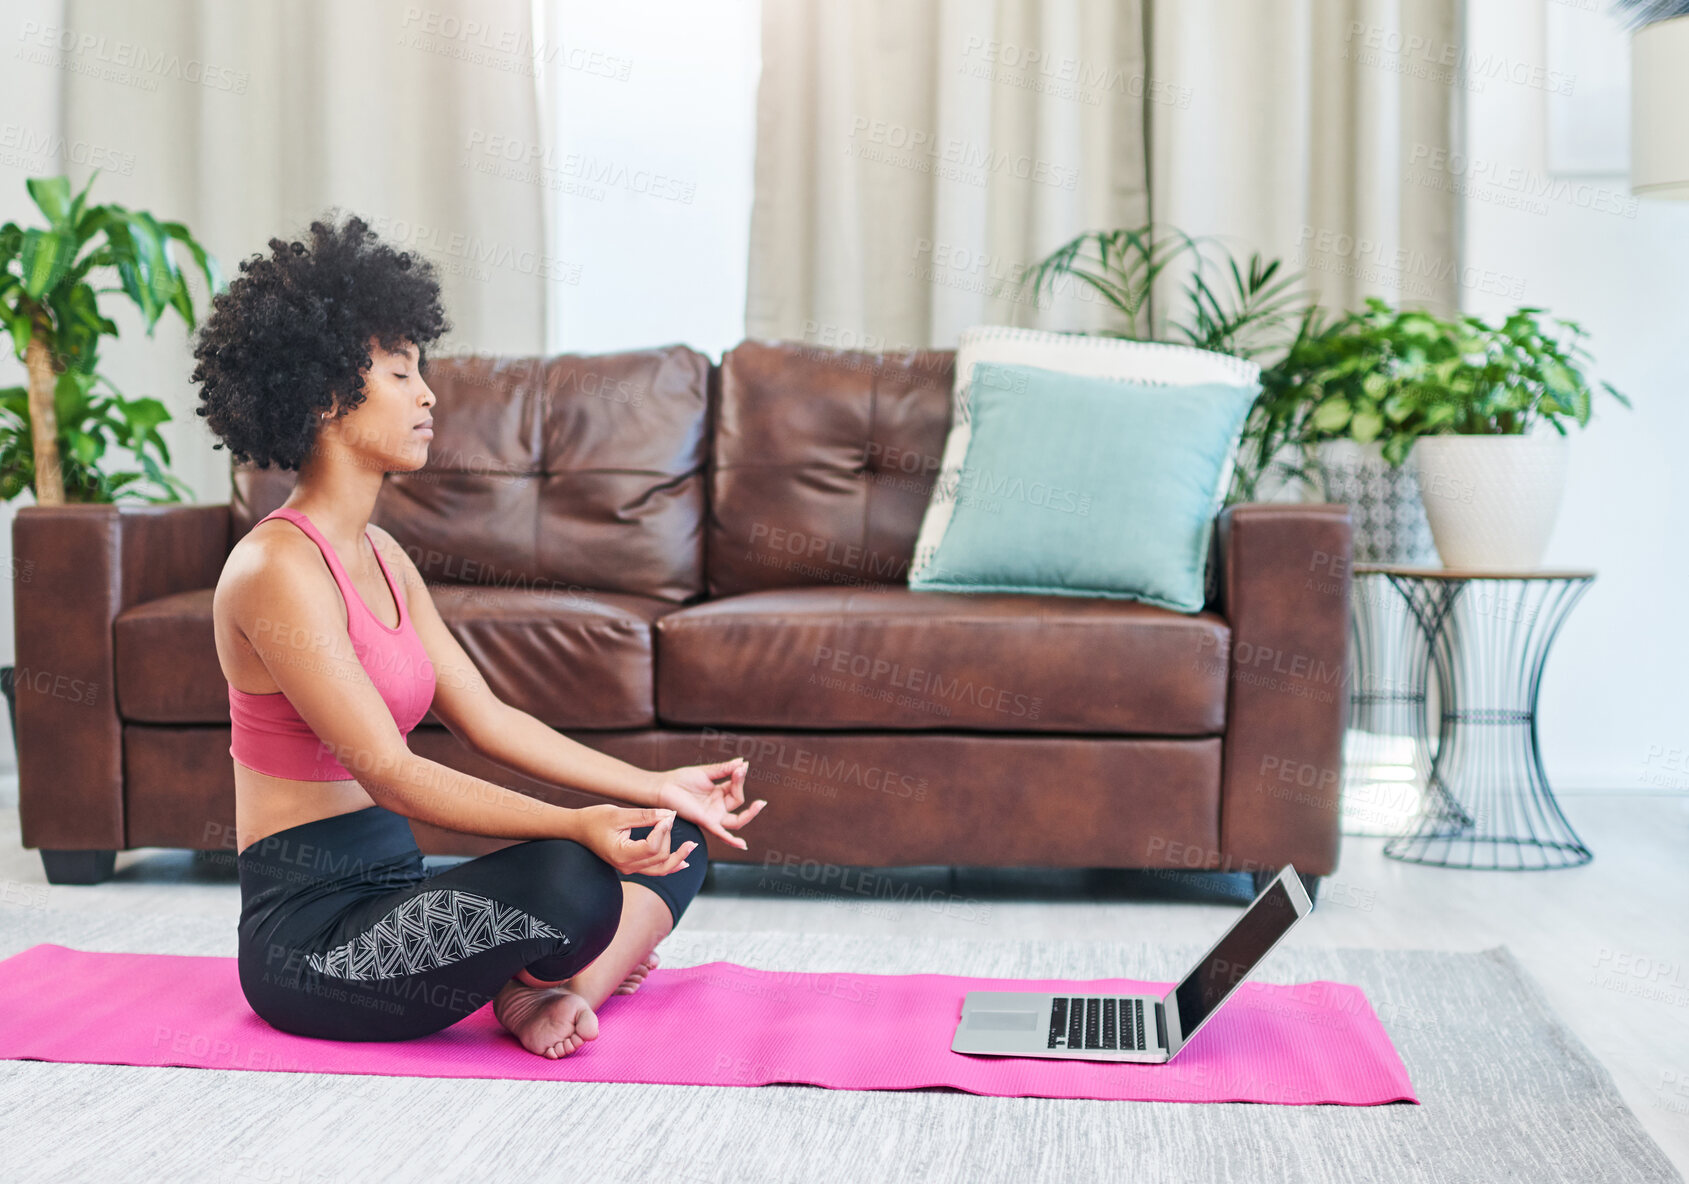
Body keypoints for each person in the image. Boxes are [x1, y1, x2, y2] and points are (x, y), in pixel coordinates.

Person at [193, 213, 765, 1057]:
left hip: (399, 898)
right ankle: (549, 983)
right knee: (572, 874)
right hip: (313, 949)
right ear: (322, 396)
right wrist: (575, 827)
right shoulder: (275, 568)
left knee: (672, 839)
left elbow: (491, 721)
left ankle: (556, 995)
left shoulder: (382, 554)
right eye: (399, 374)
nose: (428, 396)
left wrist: (653, 787)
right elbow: (391, 775)